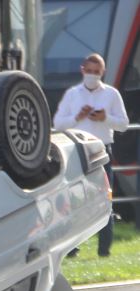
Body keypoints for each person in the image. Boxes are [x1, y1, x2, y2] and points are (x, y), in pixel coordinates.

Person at [53, 53, 129, 257]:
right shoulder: (72, 94)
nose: (92, 75)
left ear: (102, 72)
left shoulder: (111, 94)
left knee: (105, 200)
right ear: (82, 70)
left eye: (97, 72)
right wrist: (77, 117)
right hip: (76, 152)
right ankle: (71, 249)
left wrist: (105, 118)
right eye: (89, 71)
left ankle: (104, 250)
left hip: (102, 151)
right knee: (73, 200)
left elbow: (123, 124)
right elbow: (58, 124)